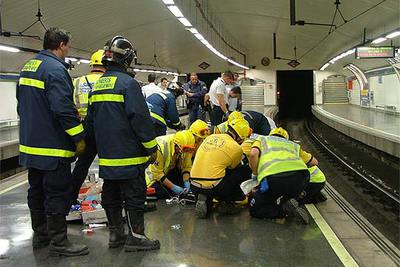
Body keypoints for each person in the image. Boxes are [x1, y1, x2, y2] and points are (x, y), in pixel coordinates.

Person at [17, 27, 88, 256]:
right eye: (68, 46)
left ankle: (41, 236)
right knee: (56, 192)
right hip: (52, 147)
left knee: (36, 191)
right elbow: (63, 110)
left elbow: (21, 104)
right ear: (62, 45)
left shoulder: (29, 66)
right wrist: (79, 138)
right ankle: (59, 242)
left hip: (31, 145)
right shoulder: (56, 70)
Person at [87, 35, 160, 252]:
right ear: (126, 59)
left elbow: (90, 122)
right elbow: (139, 118)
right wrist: (151, 147)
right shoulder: (129, 84)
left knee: (111, 195)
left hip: (108, 157)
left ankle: (116, 234)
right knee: (134, 196)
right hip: (130, 155)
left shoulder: (98, 85)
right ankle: (136, 237)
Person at [248, 128, 318, 224]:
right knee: (285, 191)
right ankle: (292, 198)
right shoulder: (294, 145)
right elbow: (315, 162)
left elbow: (253, 154)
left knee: (255, 209)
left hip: (274, 178)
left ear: (270, 135)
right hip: (300, 178)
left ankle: (284, 210)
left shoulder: (262, 139)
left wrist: (255, 173)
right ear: (286, 138)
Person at [190, 118, 252, 218]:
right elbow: (232, 168)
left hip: (193, 184)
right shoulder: (236, 148)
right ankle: (227, 202)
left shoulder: (211, 137)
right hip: (215, 187)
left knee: (217, 170)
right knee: (244, 170)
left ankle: (206, 199)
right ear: (240, 137)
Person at [70, 49, 106, 203]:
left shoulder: (77, 81)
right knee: (109, 163)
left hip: (85, 126)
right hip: (105, 127)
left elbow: (70, 105)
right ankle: (110, 197)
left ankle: (70, 197)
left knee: (82, 165)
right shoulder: (108, 80)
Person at [145, 130, 196, 198]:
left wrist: (186, 181)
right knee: (163, 193)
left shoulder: (185, 147)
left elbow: (186, 166)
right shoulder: (160, 148)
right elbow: (157, 174)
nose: (184, 152)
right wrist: (173, 187)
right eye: (183, 150)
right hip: (151, 178)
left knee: (182, 186)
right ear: (176, 145)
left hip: (166, 172)